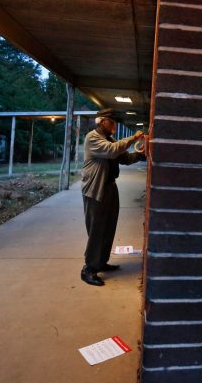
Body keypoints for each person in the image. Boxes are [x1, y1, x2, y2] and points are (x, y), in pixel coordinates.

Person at [80, 108, 145, 286]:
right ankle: (89, 268)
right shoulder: (92, 138)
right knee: (96, 230)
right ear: (102, 122)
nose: (114, 125)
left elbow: (123, 157)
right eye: (112, 121)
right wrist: (133, 138)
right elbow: (112, 151)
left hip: (109, 188)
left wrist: (141, 154)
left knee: (109, 227)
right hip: (95, 190)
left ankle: (101, 262)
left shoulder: (109, 138)